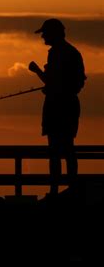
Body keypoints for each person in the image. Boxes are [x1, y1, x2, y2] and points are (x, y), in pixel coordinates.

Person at [28, 18, 86, 195]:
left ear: (54, 33)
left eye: (45, 33)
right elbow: (77, 83)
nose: (43, 37)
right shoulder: (73, 52)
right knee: (68, 148)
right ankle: (72, 188)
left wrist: (36, 70)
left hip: (56, 107)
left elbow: (52, 81)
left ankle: (54, 190)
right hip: (70, 105)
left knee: (55, 150)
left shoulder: (56, 54)